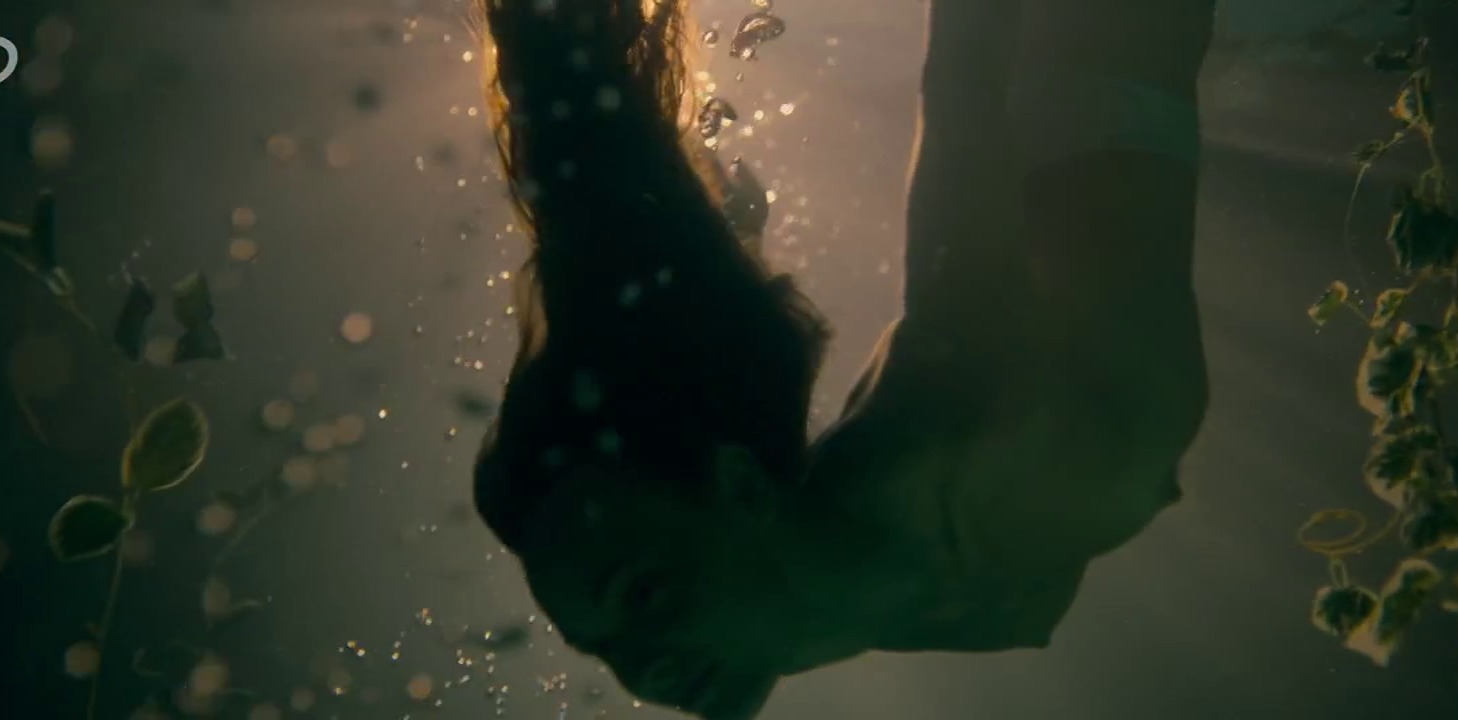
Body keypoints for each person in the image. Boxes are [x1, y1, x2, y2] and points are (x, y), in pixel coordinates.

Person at [469, 1, 1215, 718]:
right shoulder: (878, 573)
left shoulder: (962, 430)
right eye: (600, 649)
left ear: (741, 487)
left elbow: (965, 81)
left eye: (644, 595)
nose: (641, 674)